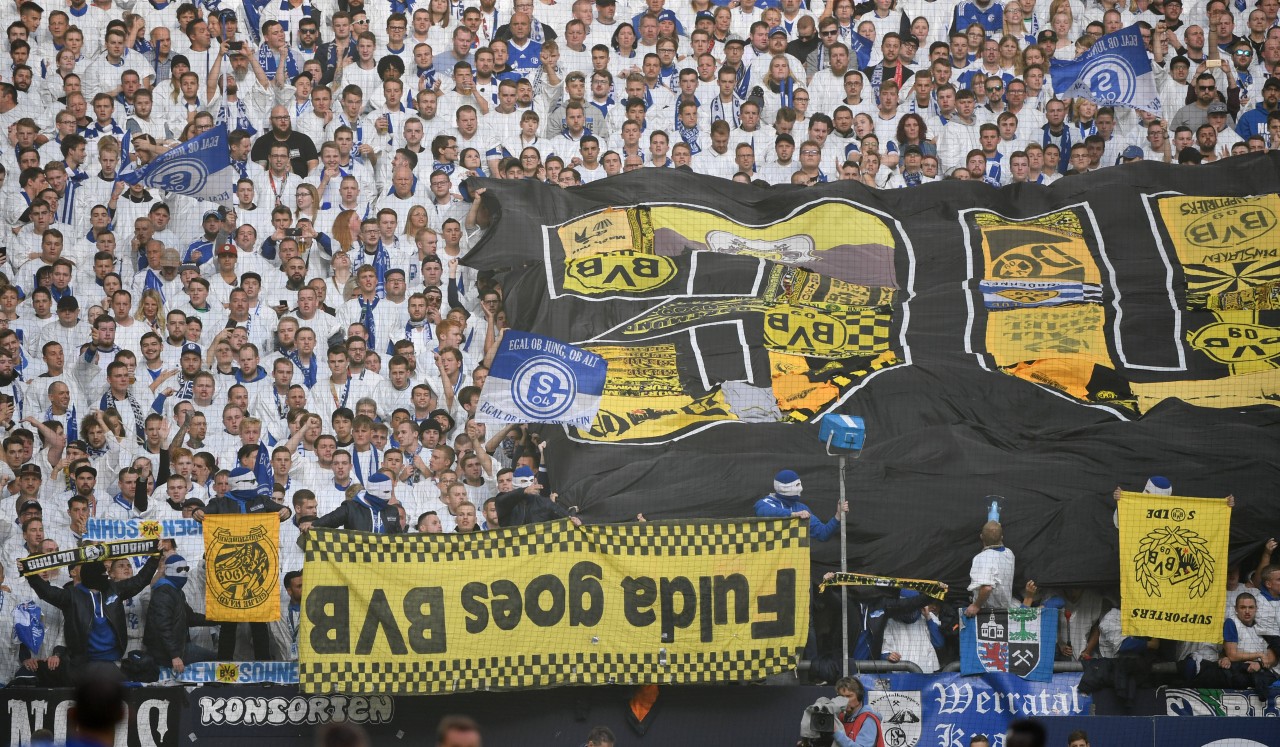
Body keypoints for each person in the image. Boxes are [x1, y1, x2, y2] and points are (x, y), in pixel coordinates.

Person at [27, 551, 161, 676]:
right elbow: (47, 592)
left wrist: (154, 558)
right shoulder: (71, 596)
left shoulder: (114, 589)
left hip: (114, 660)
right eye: (103, 574)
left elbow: (140, 580)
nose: (106, 576)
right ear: (92, 576)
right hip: (84, 663)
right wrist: (30, 573)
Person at [143, 553, 213, 675]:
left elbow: (191, 618)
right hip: (167, 653)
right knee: (217, 660)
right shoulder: (164, 593)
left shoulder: (176, 592)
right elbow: (163, 628)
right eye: (179, 569)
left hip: (178, 648)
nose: (184, 572)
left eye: (186, 569)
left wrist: (219, 618)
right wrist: (175, 656)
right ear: (169, 571)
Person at [754, 470, 847, 540]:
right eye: (797, 485)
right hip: (768, 562)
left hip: (794, 563)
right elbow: (763, 512)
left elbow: (823, 534)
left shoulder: (801, 508)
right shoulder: (766, 502)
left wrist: (838, 516)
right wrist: (794, 515)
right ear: (784, 488)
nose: (801, 489)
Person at [493, 465, 581, 526]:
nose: (528, 485)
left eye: (530, 481)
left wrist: (572, 518)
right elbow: (502, 501)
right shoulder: (504, 502)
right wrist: (524, 491)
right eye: (523, 481)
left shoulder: (544, 503)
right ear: (514, 483)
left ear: (534, 481)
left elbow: (561, 515)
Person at [964, 520, 1015, 617]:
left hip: (986, 613)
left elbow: (987, 588)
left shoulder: (981, 558)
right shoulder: (1009, 554)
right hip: (1006, 611)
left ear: (981, 537)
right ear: (1002, 537)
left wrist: (976, 606)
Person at [833, 676, 883, 747]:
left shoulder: (868, 720)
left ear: (859, 696)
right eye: (841, 697)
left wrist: (837, 734)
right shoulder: (840, 717)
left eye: (849, 696)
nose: (844, 700)